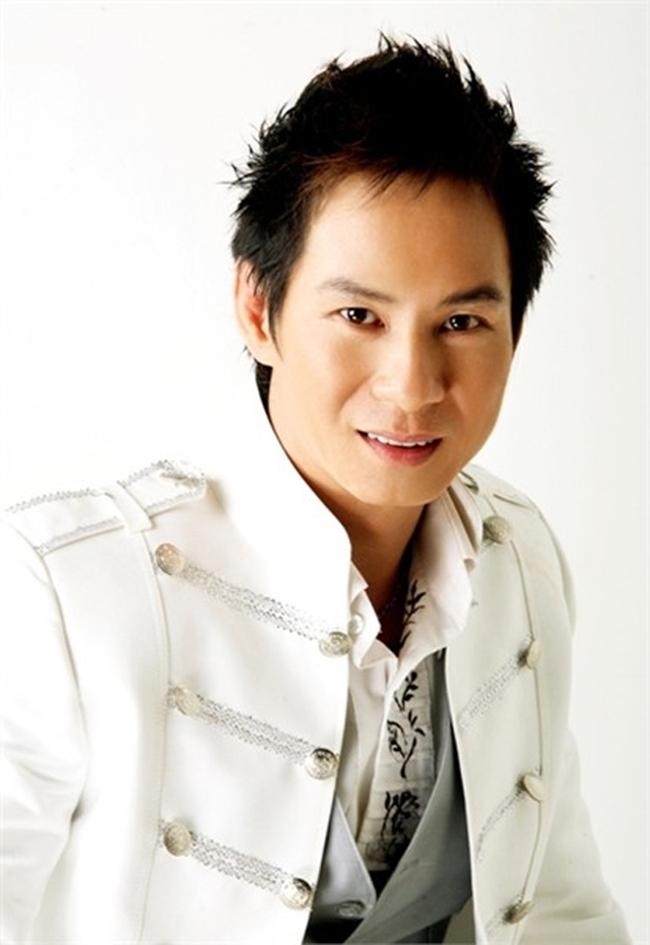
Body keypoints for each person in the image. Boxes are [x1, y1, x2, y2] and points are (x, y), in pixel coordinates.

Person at [0, 32, 631, 945]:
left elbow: (564, 910)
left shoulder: (521, 556)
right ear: (258, 309)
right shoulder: (64, 585)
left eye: (461, 320)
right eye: (359, 314)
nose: (411, 385)